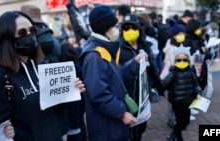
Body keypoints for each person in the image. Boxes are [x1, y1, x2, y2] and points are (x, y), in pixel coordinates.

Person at [0, 11, 85, 141]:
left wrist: (70, 92)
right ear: (7, 39)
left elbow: (52, 109)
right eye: (22, 33)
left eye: (32, 30)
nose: (30, 35)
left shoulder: (42, 68)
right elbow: (1, 129)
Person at [79, 5, 140, 141]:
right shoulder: (94, 56)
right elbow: (99, 95)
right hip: (107, 131)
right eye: (115, 25)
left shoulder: (104, 49)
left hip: (113, 127)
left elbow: (116, 77)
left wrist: (134, 63)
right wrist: (122, 113)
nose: (117, 29)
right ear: (105, 28)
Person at [118, 13, 162, 141]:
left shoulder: (145, 45)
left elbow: (153, 68)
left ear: (139, 29)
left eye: (134, 27)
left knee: (142, 126)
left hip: (144, 96)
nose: (130, 30)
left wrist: (154, 85)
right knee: (133, 131)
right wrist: (134, 62)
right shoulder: (117, 48)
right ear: (122, 30)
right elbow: (118, 73)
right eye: (126, 28)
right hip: (129, 97)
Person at [162, 46, 202, 141]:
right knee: (180, 121)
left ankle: (173, 135)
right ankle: (178, 138)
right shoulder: (173, 73)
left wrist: (198, 92)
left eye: (184, 59)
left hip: (188, 101)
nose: (182, 62)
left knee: (186, 121)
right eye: (179, 60)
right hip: (177, 101)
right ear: (175, 60)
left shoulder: (190, 71)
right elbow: (164, 84)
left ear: (188, 60)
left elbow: (195, 84)